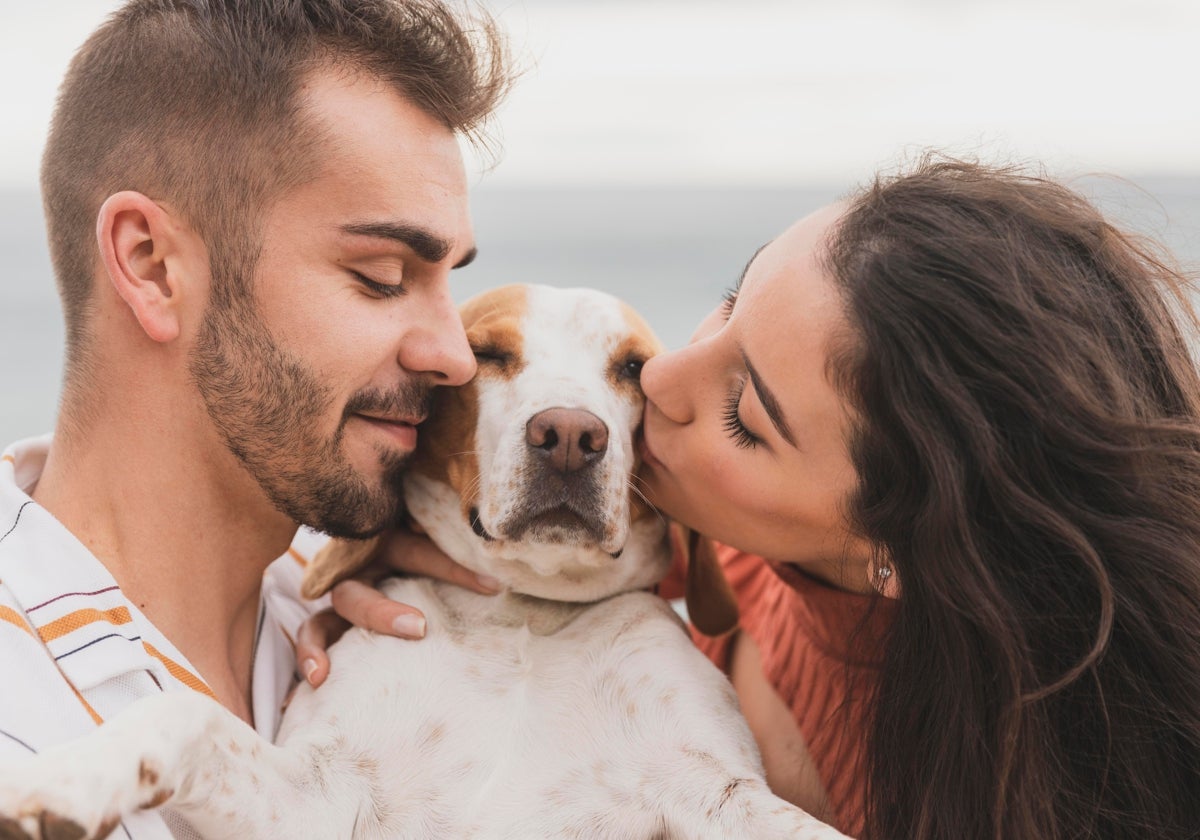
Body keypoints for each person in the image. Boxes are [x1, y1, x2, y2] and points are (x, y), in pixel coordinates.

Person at [0, 1, 512, 836]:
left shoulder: (362, 638)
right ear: (151, 264)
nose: (455, 354)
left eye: (449, 278)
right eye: (383, 276)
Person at [635, 157, 1200, 838]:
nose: (659, 373)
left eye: (742, 418)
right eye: (730, 302)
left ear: (901, 551)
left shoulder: (991, 802)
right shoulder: (709, 535)